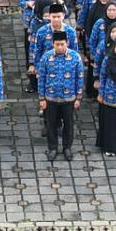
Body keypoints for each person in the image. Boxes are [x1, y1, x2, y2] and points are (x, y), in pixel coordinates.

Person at [37, 27, 83, 159]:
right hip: (50, 98)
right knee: (51, 125)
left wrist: (78, 98)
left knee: (68, 125)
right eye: (57, 44)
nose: (60, 47)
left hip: (69, 99)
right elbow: (42, 79)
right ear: (53, 44)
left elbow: (79, 78)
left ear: (67, 43)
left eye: (62, 44)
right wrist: (42, 99)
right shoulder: (46, 58)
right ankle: (52, 148)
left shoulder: (75, 57)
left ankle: (67, 148)